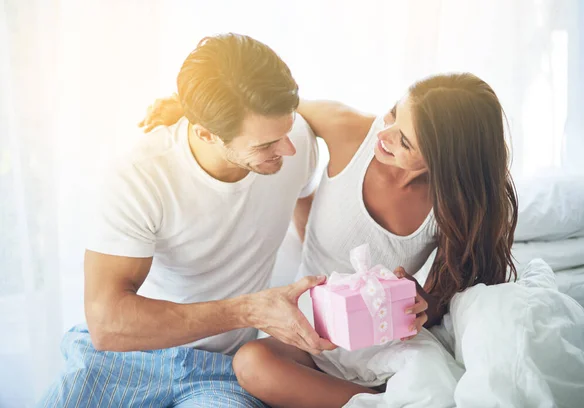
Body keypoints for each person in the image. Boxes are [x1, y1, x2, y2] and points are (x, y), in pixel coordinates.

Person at [142, 72, 518, 407]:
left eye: (404, 141)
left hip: (381, 333)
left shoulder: (453, 206)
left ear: (445, 162)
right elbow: (267, 104)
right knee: (251, 364)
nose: (382, 135)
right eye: (392, 114)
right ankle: (375, 402)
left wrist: (422, 303)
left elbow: (442, 298)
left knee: (435, 383)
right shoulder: (351, 132)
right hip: (311, 324)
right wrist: (193, 109)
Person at [38, 33, 338, 408]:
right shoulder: (142, 174)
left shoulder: (294, 144)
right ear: (204, 132)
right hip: (123, 361)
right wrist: (248, 310)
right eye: (265, 145)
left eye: (288, 129)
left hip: (222, 372)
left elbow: (305, 204)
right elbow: (107, 323)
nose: (288, 149)